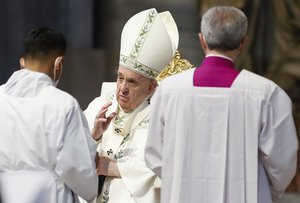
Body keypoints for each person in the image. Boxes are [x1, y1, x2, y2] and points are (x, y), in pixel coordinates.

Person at [144, 6, 298, 203]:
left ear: (202, 40)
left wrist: (181, 181)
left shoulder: (168, 91)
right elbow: (282, 162)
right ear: (243, 43)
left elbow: (155, 155)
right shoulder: (267, 94)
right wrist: (266, 192)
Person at [83, 8, 179, 203]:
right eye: (120, 78)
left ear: (151, 86)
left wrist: (114, 167)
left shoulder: (162, 116)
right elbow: (68, 152)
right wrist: (94, 135)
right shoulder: (101, 104)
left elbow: (167, 164)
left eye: (132, 82)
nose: (122, 89)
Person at [0, 27, 98, 203]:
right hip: (49, 195)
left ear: (22, 62)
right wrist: (91, 191)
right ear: (58, 63)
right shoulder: (63, 105)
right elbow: (76, 168)